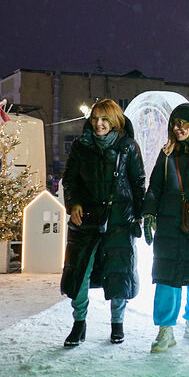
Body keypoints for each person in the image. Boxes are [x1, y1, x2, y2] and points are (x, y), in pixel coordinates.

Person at [60, 99, 145, 346]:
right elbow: (70, 180)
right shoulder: (80, 146)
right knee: (80, 273)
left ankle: (117, 324)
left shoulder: (127, 146)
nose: (99, 123)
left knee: (118, 272)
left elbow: (138, 182)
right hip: (85, 220)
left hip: (120, 219)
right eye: (96, 118)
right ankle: (79, 324)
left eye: (105, 119)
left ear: (115, 121)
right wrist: (73, 203)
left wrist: (139, 215)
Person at [141, 103, 189, 352]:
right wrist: (149, 212)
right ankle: (165, 329)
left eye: (184, 123)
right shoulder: (167, 154)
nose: (178, 127)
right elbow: (154, 188)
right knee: (167, 278)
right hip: (170, 224)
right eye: (175, 123)